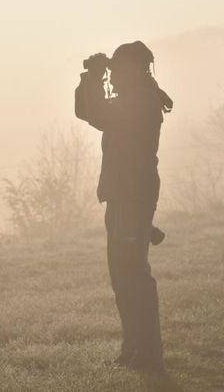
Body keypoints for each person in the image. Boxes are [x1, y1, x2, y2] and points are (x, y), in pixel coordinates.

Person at [75, 41, 172, 371]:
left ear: (132, 69)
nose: (113, 73)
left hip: (132, 194)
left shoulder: (140, 101)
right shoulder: (138, 98)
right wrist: (92, 78)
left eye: (117, 67)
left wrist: (93, 78)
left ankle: (146, 352)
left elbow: (97, 113)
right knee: (123, 276)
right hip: (124, 194)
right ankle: (135, 349)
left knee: (132, 276)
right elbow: (89, 112)